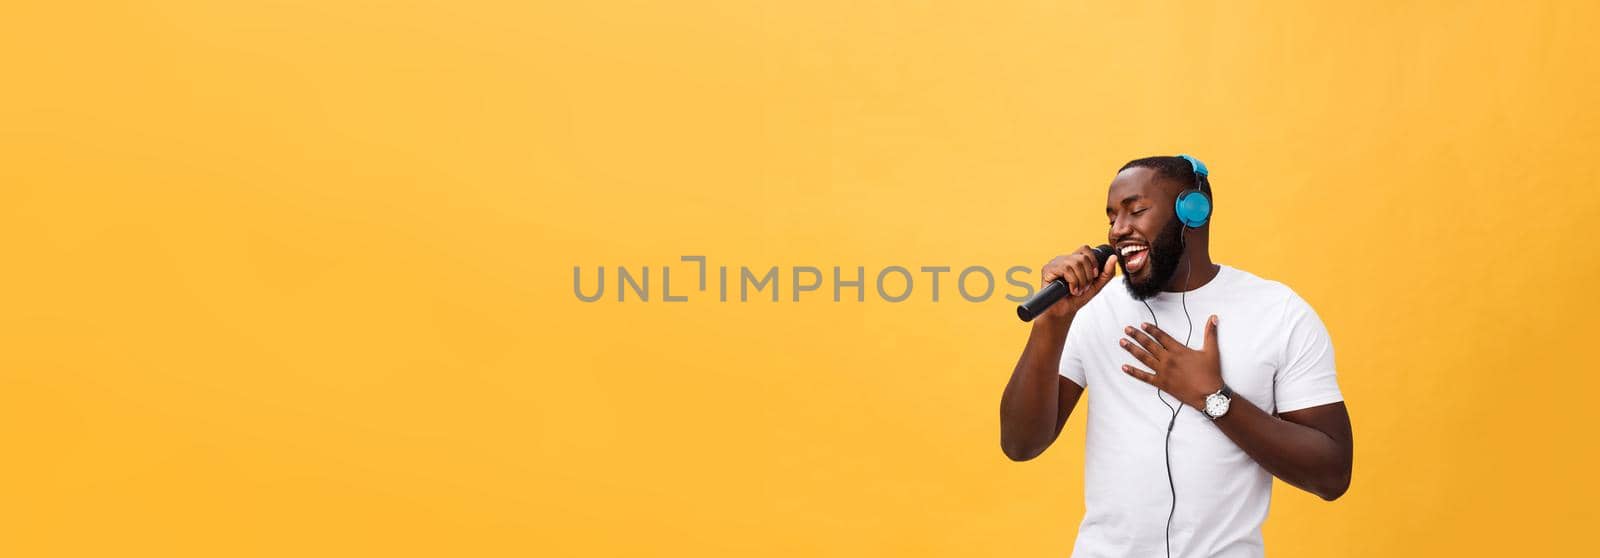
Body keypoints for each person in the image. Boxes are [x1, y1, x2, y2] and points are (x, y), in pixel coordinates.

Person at [998, 156, 1353, 557]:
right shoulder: (1091, 309)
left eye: (1136, 210)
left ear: (1193, 211)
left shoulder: (1279, 312)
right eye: (1112, 217)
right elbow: (1020, 444)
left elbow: (1332, 473)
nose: (1118, 230)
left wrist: (1213, 399)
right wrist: (1051, 326)